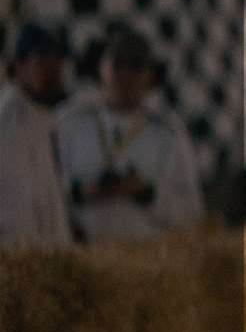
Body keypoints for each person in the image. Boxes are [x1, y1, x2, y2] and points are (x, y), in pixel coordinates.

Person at [56, 25, 203, 242]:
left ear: (150, 76)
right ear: (101, 68)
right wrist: (82, 193)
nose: (125, 75)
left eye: (136, 67)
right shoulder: (69, 126)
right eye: (117, 64)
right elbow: (41, 196)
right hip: (82, 256)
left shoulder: (168, 136)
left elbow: (192, 214)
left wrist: (146, 193)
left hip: (145, 260)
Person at [0, 21, 74, 246]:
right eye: (42, 60)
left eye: (58, 58)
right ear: (19, 67)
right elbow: (18, 216)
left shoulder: (44, 116)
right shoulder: (8, 123)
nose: (54, 68)